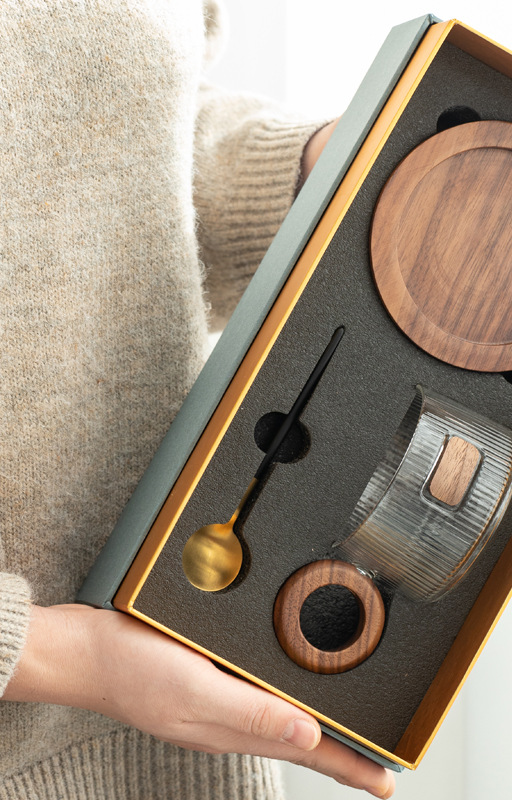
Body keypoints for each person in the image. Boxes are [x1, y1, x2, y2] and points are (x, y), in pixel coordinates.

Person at [0, 1, 395, 798]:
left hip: (153, 723)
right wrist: (61, 656)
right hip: (82, 691)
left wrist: (305, 175)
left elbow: (93, 120)